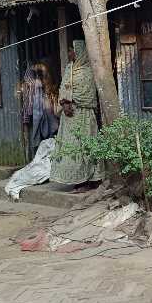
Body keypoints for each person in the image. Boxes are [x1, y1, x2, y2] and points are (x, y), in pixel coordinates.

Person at [51, 40, 103, 192]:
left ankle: (90, 180)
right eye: (69, 51)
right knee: (72, 147)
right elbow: (63, 87)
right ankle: (77, 180)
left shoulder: (88, 71)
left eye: (72, 51)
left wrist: (71, 100)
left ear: (79, 52)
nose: (69, 54)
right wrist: (63, 102)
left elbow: (88, 93)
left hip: (84, 115)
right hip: (68, 117)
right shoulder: (69, 68)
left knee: (85, 146)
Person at [27, 62, 60, 161]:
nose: (44, 81)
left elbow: (56, 112)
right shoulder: (39, 93)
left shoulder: (52, 93)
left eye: (45, 77)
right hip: (49, 126)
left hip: (53, 126)